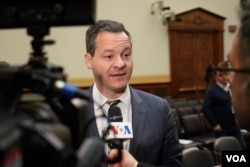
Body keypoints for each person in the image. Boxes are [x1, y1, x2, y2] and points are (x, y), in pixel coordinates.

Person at [83, 19, 182, 167]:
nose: (121, 63)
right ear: (89, 61)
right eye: (109, 56)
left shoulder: (159, 109)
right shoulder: (71, 111)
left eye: (126, 55)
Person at [201, 60, 247, 150]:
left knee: (242, 147)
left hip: (234, 124)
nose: (224, 77)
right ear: (216, 77)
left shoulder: (231, 87)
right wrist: (214, 124)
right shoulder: (211, 91)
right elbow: (205, 109)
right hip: (222, 128)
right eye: (220, 75)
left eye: (226, 74)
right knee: (227, 150)